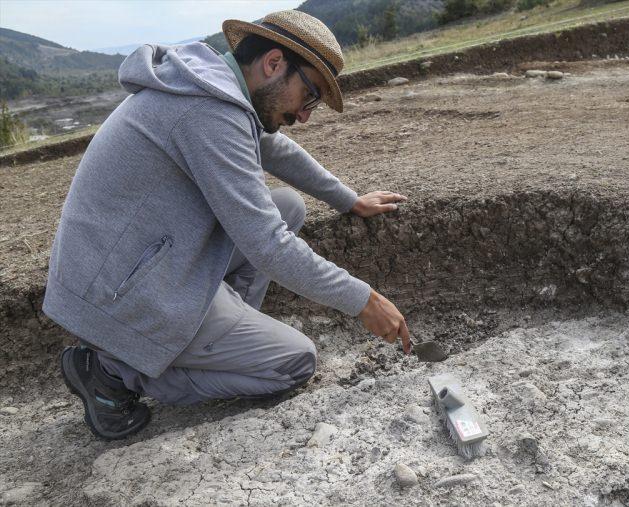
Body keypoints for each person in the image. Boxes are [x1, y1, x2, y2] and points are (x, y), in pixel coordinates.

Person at [42, 10, 411, 440]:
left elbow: (275, 149)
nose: (306, 115)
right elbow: (268, 246)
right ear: (274, 63)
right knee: (294, 362)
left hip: (130, 266)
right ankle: (112, 371)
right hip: (119, 294)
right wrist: (364, 300)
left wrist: (348, 199)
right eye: (308, 95)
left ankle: (207, 341)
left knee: (287, 206)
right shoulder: (208, 112)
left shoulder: (211, 83)